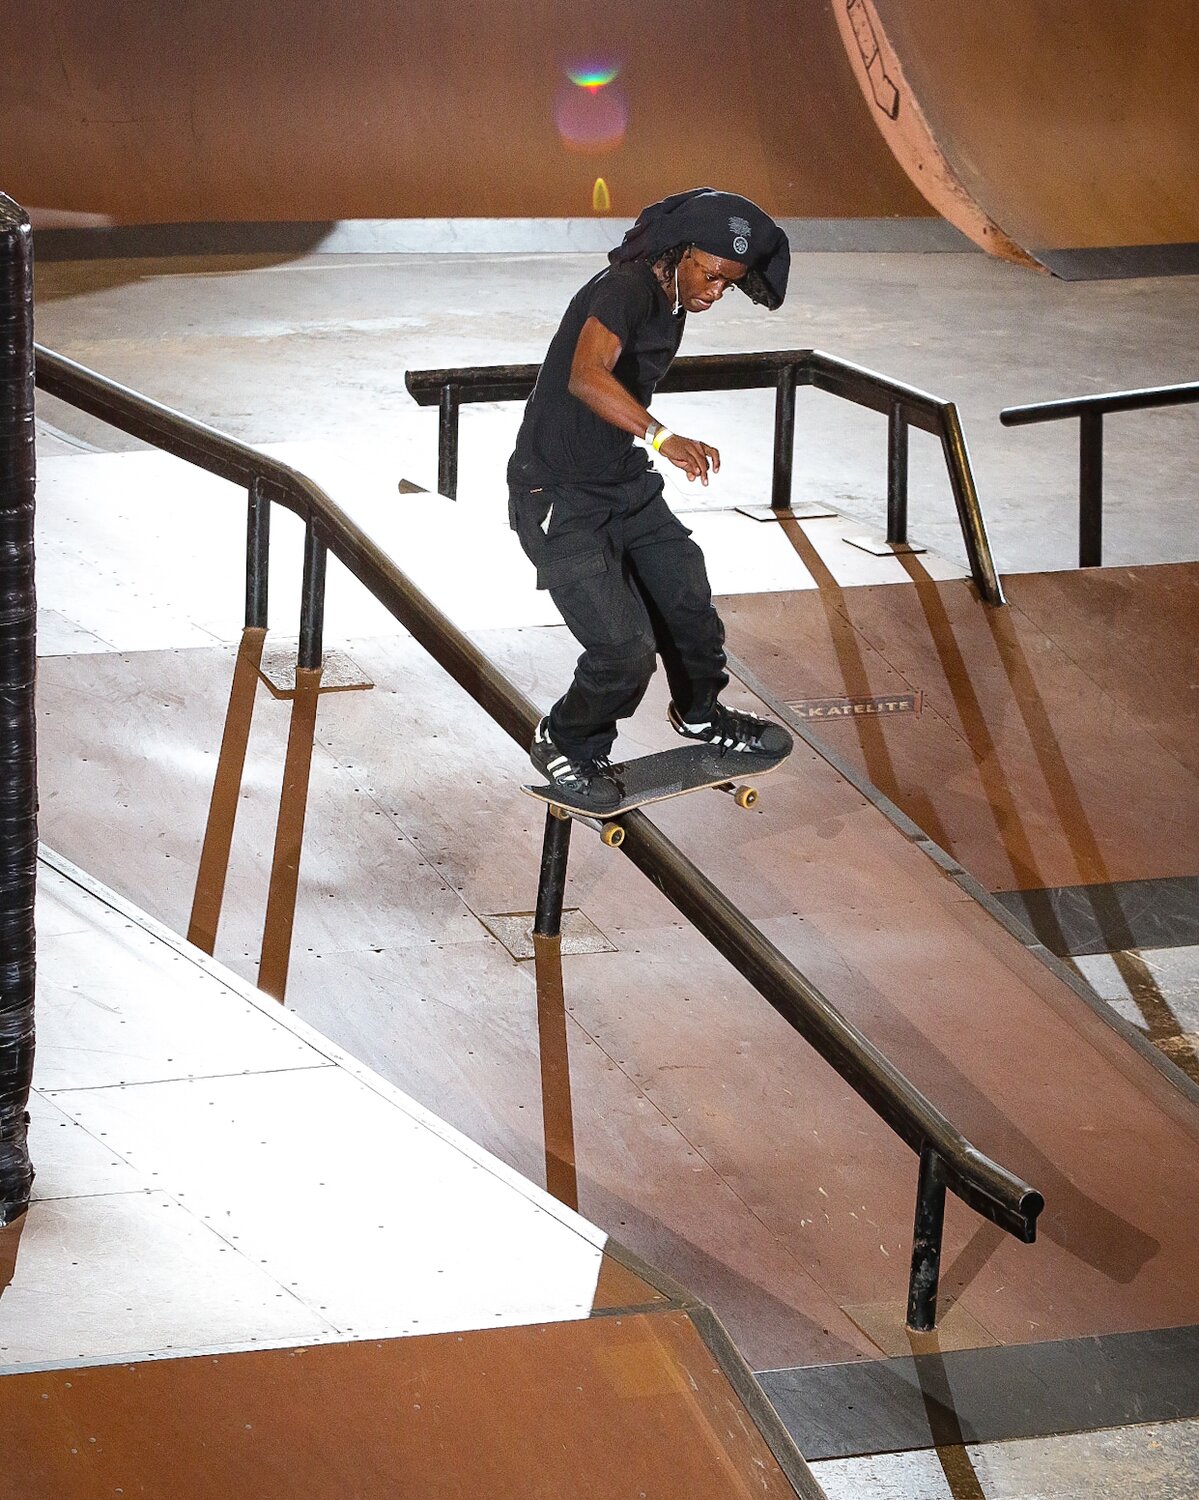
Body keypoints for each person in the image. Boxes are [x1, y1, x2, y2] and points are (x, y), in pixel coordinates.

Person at [508, 187, 793, 811]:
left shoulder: (673, 296)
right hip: (557, 493)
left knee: (687, 597)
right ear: (681, 251)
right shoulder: (626, 288)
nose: (716, 292)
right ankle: (566, 740)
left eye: (729, 283)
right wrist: (664, 437)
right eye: (711, 275)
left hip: (622, 482)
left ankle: (699, 712)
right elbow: (587, 376)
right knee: (624, 649)